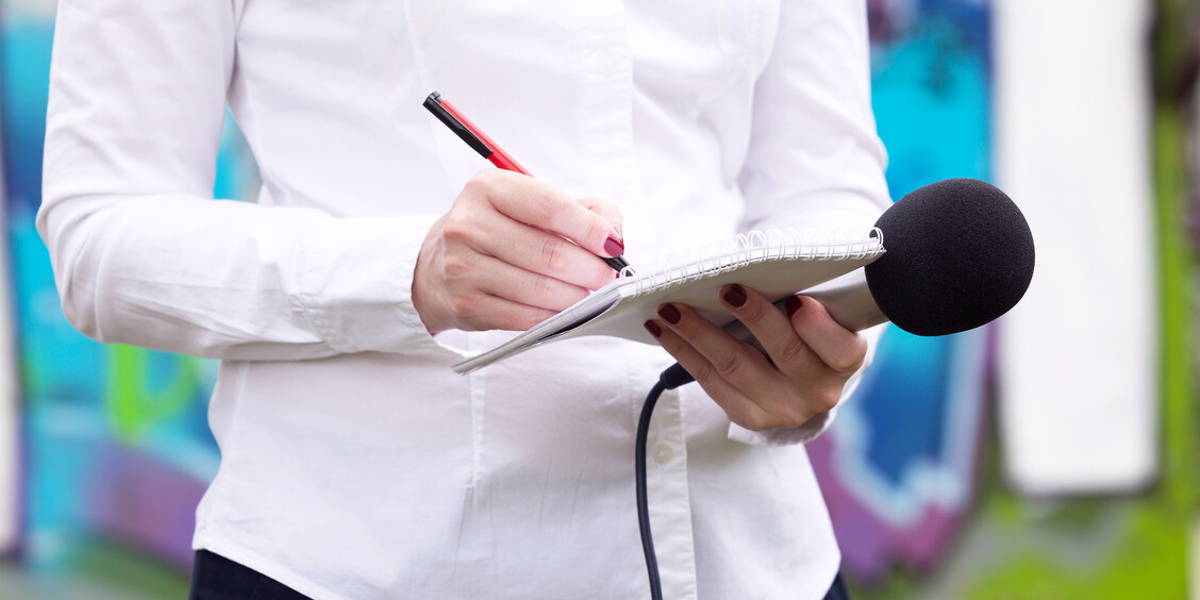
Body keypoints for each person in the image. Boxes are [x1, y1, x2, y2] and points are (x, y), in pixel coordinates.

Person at [39, 1, 889, 598]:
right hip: (361, 566)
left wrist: (820, 360)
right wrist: (409, 273)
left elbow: (830, 190)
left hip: (753, 560)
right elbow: (99, 238)